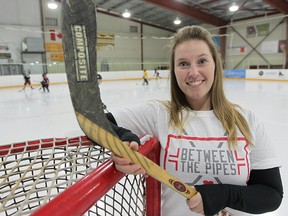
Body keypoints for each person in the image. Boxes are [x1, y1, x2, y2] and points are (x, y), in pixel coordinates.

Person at [108, 26, 283, 215]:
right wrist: (124, 138)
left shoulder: (246, 120)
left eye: (202, 61)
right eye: (183, 64)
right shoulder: (158, 113)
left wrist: (224, 195)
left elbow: (271, 195)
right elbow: (94, 122)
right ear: (174, 70)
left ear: (215, 64)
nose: (193, 72)